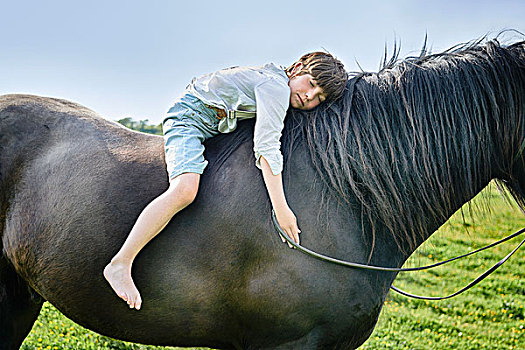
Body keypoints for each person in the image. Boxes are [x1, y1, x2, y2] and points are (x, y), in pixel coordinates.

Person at [104, 52, 348, 310]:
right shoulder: (275, 87)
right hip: (190, 119)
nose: (310, 96)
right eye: (311, 84)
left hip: (216, 122)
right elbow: (266, 148)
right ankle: (120, 263)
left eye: (319, 97)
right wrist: (282, 209)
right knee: (185, 189)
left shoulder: (275, 82)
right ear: (297, 68)